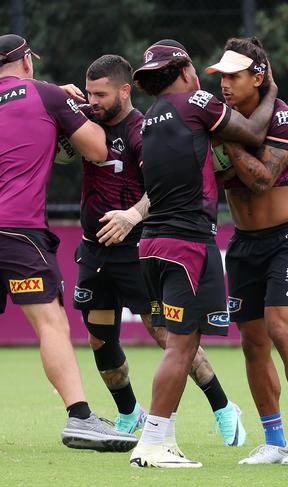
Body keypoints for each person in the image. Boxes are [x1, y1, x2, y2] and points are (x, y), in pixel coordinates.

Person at [61, 54, 246, 447]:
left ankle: (223, 406)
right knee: (99, 338)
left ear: (125, 90)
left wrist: (131, 215)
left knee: (165, 335)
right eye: (89, 92)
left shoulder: (142, 129)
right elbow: (58, 144)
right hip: (95, 252)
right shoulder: (86, 121)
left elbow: (160, 186)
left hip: (135, 251)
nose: (93, 101)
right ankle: (129, 413)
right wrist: (60, 103)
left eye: (101, 94)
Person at [126, 39, 277, 468]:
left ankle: (163, 440)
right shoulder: (196, 102)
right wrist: (270, 92)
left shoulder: (150, 117)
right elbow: (253, 133)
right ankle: (153, 443)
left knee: (180, 344)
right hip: (187, 243)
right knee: (181, 346)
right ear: (187, 68)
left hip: (153, 245)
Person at [0, 34, 138, 452]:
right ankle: (80, 417)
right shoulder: (45, 95)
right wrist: (64, 112)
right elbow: (97, 149)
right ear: (26, 61)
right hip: (17, 230)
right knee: (52, 325)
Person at [205, 37, 288, 466]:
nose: (224, 85)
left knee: (281, 330)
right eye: (221, 76)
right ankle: (274, 440)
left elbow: (261, 179)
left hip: (286, 241)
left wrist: (226, 138)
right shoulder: (217, 116)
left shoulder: (284, 117)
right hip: (243, 244)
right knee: (252, 343)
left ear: (258, 77)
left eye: (234, 77)